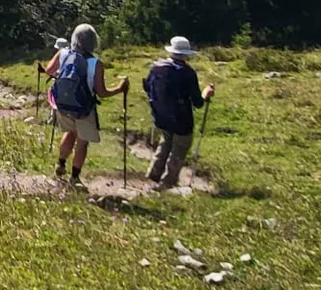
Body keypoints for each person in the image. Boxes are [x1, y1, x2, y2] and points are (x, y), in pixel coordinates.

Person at [39, 23, 128, 186]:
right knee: (82, 141)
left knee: (70, 132)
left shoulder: (63, 53)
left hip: (63, 105)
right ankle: (74, 177)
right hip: (84, 108)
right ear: (94, 42)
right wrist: (120, 89)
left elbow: (48, 71)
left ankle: (60, 164)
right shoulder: (96, 63)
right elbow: (101, 92)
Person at [143, 36, 214, 189]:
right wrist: (206, 94)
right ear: (186, 54)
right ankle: (167, 183)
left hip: (162, 116)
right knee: (179, 150)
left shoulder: (156, 67)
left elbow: (147, 87)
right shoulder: (188, 73)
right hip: (182, 119)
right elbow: (198, 102)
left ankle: (152, 176)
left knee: (165, 144)